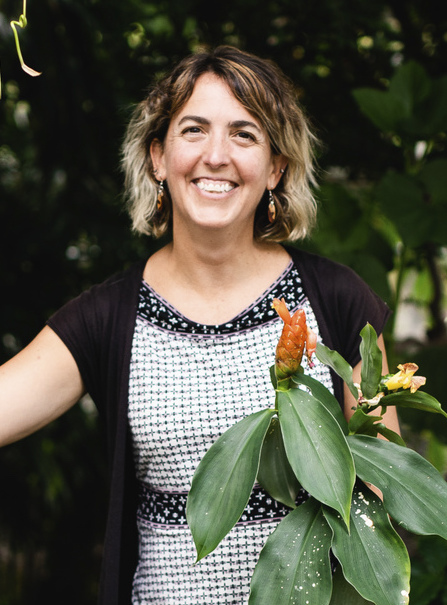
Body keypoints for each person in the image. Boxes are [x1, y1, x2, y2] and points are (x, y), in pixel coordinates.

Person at [0, 45, 399, 604]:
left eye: (244, 134)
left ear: (276, 167)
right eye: (193, 130)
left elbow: (385, 490)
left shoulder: (335, 300)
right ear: (158, 156)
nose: (216, 155)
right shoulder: (108, 317)